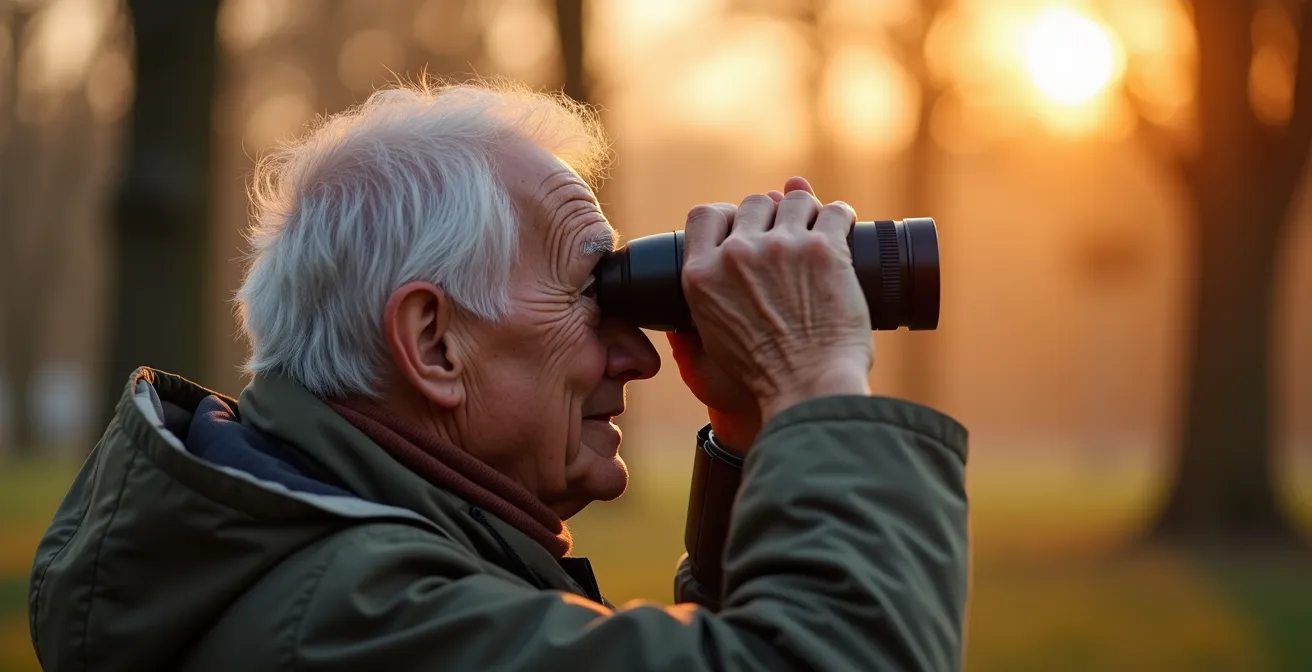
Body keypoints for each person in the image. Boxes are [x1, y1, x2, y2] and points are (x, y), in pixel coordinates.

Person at [28, 80, 969, 671]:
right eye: (590, 292)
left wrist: (755, 430)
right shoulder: (350, 622)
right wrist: (816, 377)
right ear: (434, 342)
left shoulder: (338, 566)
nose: (639, 353)